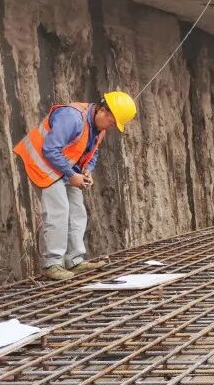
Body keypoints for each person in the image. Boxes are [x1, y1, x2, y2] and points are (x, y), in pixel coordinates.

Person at [13, 92, 137, 281]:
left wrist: (87, 170)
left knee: (77, 210)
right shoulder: (72, 118)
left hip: (64, 167)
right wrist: (72, 175)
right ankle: (52, 264)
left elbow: (93, 151)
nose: (111, 127)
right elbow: (50, 149)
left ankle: (74, 260)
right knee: (59, 210)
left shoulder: (99, 127)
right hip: (42, 164)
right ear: (103, 111)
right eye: (112, 122)